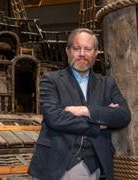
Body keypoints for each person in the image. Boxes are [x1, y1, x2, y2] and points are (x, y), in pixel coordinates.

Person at [28, 28, 131, 180]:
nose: (82, 53)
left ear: (96, 52)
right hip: (53, 161)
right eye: (76, 48)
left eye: (87, 49)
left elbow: (123, 115)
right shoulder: (51, 80)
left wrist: (86, 110)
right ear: (68, 51)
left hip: (92, 165)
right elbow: (55, 118)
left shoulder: (107, 84)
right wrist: (99, 122)